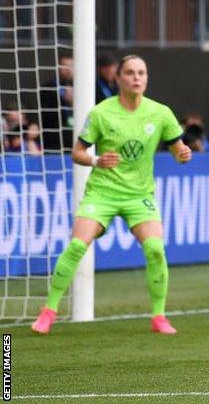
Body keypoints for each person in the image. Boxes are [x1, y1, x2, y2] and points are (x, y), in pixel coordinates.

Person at [31, 55, 193, 335]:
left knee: (155, 249)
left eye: (141, 72)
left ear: (147, 77)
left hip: (139, 195)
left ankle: (158, 317)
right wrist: (95, 161)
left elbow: (178, 151)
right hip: (103, 192)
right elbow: (78, 153)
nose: (136, 78)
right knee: (76, 247)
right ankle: (49, 311)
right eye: (130, 73)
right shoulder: (101, 113)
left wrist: (183, 155)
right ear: (118, 78)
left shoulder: (161, 113)